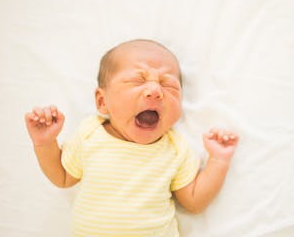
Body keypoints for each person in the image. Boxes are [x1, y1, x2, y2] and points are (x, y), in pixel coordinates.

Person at [24, 39, 239, 236]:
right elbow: (62, 177)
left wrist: (219, 160)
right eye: (138, 80)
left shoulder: (174, 148)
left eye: (168, 85)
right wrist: (44, 143)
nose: (155, 90)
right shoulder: (90, 134)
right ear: (102, 101)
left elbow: (194, 201)